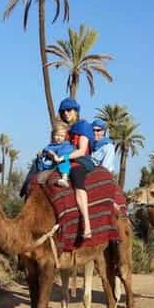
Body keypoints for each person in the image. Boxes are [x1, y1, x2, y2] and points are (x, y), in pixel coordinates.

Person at [60, 98, 96, 239]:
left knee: (77, 181)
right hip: (64, 161)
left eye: (69, 110)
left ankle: (86, 224)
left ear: (76, 111)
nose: (66, 113)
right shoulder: (64, 130)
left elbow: (82, 150)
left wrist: (64, 157)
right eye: (63, 111)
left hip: (80, 161)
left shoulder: (83, 126)